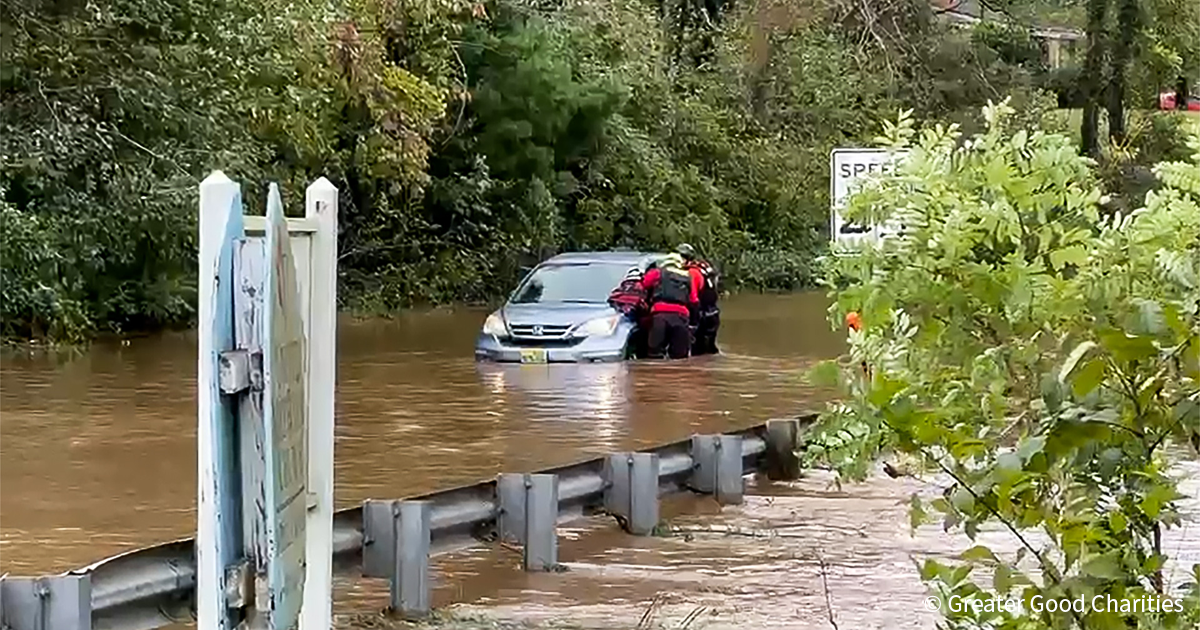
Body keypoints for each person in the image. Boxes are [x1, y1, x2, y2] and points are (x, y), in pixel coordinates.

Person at [639, 252, 702, 359]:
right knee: (680, 357)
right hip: (681, 317)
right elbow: (694, 301)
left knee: (654, 354)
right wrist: (693, 323)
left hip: (660, 315)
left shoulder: (658, 273)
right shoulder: (688, 277)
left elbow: (643, 284)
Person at [676, 243, 720, 355]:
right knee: (709, 352)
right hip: (713, 313)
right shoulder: (705, 268)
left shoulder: (692, 273)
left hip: (702, 317)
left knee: (698, 353)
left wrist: (692, 322)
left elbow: (693, 298)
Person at [607, 266, 650, 357]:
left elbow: (611, 298)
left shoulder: (622, 286)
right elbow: (644, 302)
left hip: (622, 315)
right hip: (636, 318)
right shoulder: (641, 286)